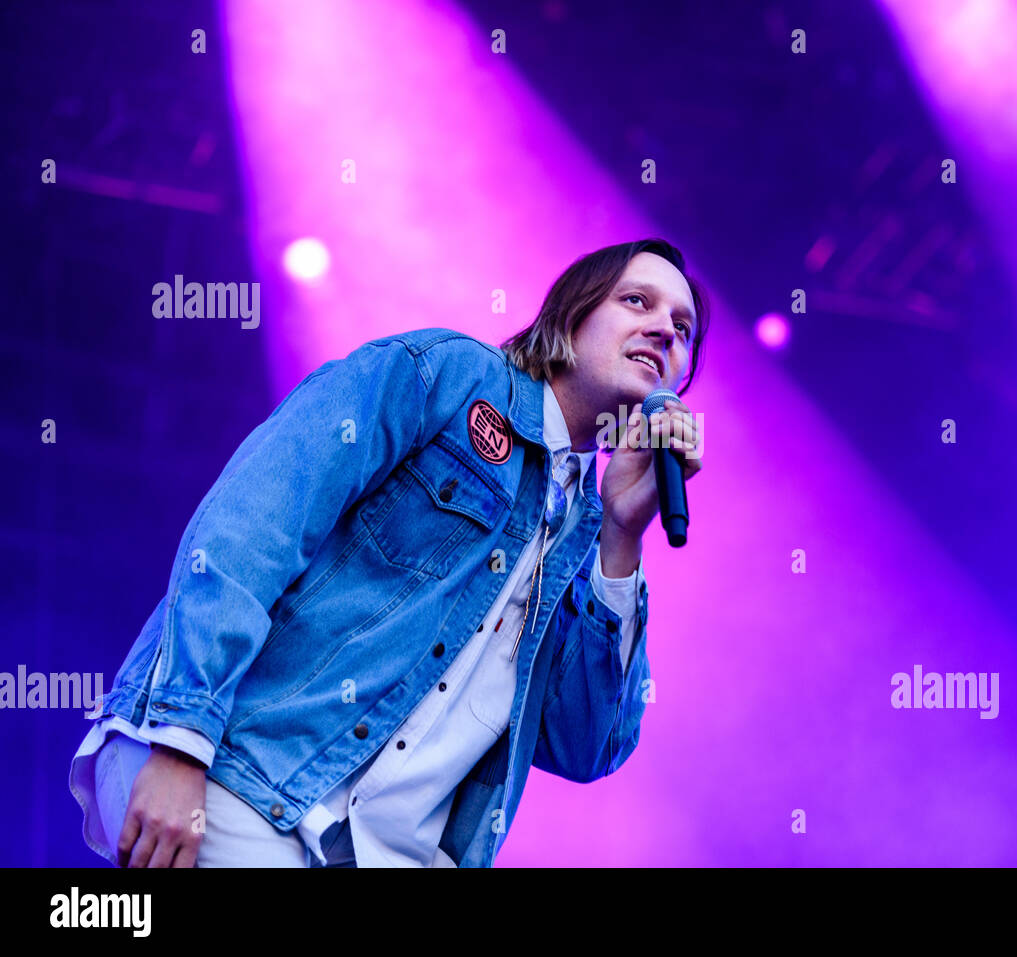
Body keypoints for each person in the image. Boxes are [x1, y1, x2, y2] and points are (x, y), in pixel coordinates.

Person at [67, 238, 708, 867]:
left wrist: (623, 533)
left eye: (683, 329)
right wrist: (181, 742)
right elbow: (255, 524)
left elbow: (584, 746)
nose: (663, 331)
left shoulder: (586, 530)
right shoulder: (446, 376)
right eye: (637, 302)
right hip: (246, 776)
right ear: (573, 313)